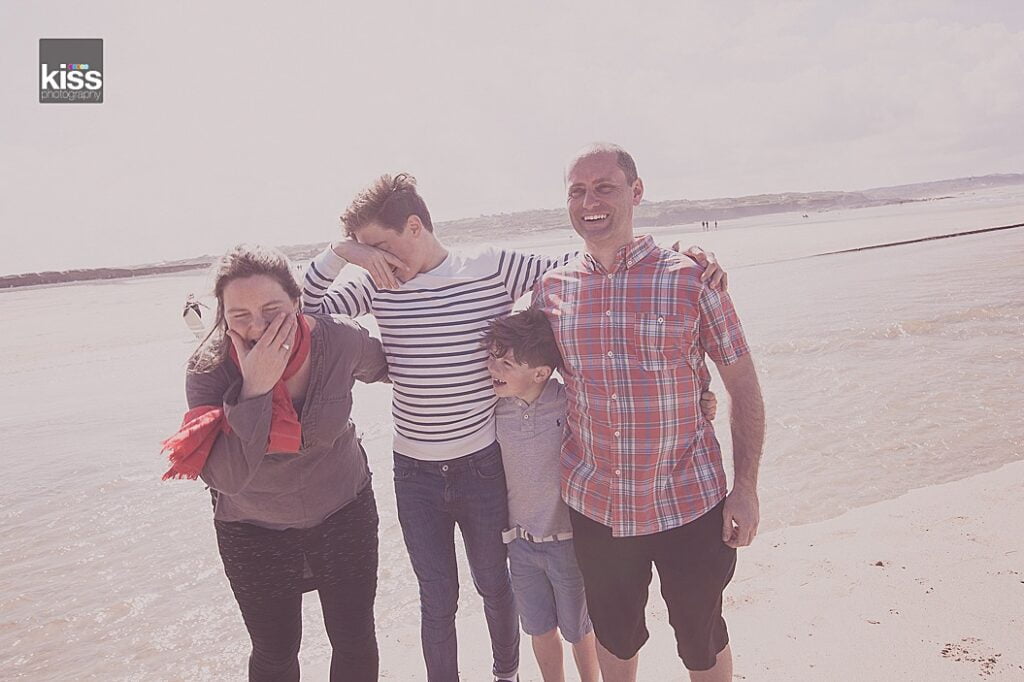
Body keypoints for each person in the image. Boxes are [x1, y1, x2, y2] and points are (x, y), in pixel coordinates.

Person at [300, 173, 728, 682]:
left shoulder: (492, 267)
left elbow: (590, 266)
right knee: (436, 595)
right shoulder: (377, 281)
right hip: (412, 468)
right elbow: (308, 310)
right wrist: (341, 253)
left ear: (415, 226)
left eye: (379, 246)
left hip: (482, 460)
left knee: (496, 586)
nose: (376, 259)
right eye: (365, 251)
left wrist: (682, 251)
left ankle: (508, 675)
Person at [532, 143, 765, 682]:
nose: (590, 201)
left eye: (605, 187)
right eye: (577, 190)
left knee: (701, 636)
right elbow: (511, 366)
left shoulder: (691, 279)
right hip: (598, 505)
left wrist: (747, 486)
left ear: (636, 193)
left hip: (690, 500)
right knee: (613, 636)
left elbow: (743, 385)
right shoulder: (551, 290)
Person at [161, 244, 389, 682]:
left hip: (343, 509)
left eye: (271, 309)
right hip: (252, 527)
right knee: (274, 651)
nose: (257, 326)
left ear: (297, 301)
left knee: (354, 637)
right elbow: (225, 477)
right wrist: (254, 389)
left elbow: (396, 366)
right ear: (222, 316)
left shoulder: (338, 339)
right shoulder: (208, 369)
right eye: (240, 315)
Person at [482, 309, 722, 682]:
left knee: (581, 629)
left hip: (568, 540)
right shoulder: (492, 410)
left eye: (507, 361)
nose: (493, 366)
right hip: (520, 542)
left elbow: (619, 407)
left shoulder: (567, 401)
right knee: (539, 628)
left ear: (541, 373)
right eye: (492, 357)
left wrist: (699, 400)